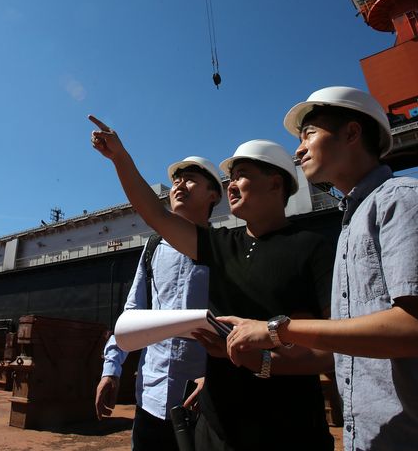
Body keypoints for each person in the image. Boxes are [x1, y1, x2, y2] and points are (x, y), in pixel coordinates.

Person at [223, 86, 418, 451]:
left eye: (309, 134)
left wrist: (275, 330)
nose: (299, 150)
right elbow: (341, 350)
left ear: (352, 133)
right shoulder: (352, 225)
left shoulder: (406, 201)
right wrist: (260, 359)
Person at [89, 115, 335, 450]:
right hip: (213, 425)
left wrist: (263, 352)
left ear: (276, 184)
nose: (232, 184)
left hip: (287, 429)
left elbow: (331, 348)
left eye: (241, 175)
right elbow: (156, 216)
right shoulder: (221, 247)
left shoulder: (312, 248)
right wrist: (120, 157)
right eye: (230, 178)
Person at [96, 156, 221, 450]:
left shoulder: (225, 249)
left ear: (214, 195)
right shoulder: (153, 248)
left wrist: (217, 379)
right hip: (150, 398)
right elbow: (133, 313)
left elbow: (239, 322)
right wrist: (111, 369)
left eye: (191, 179)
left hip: (202, 403)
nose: (179, 185)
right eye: (177, 179)